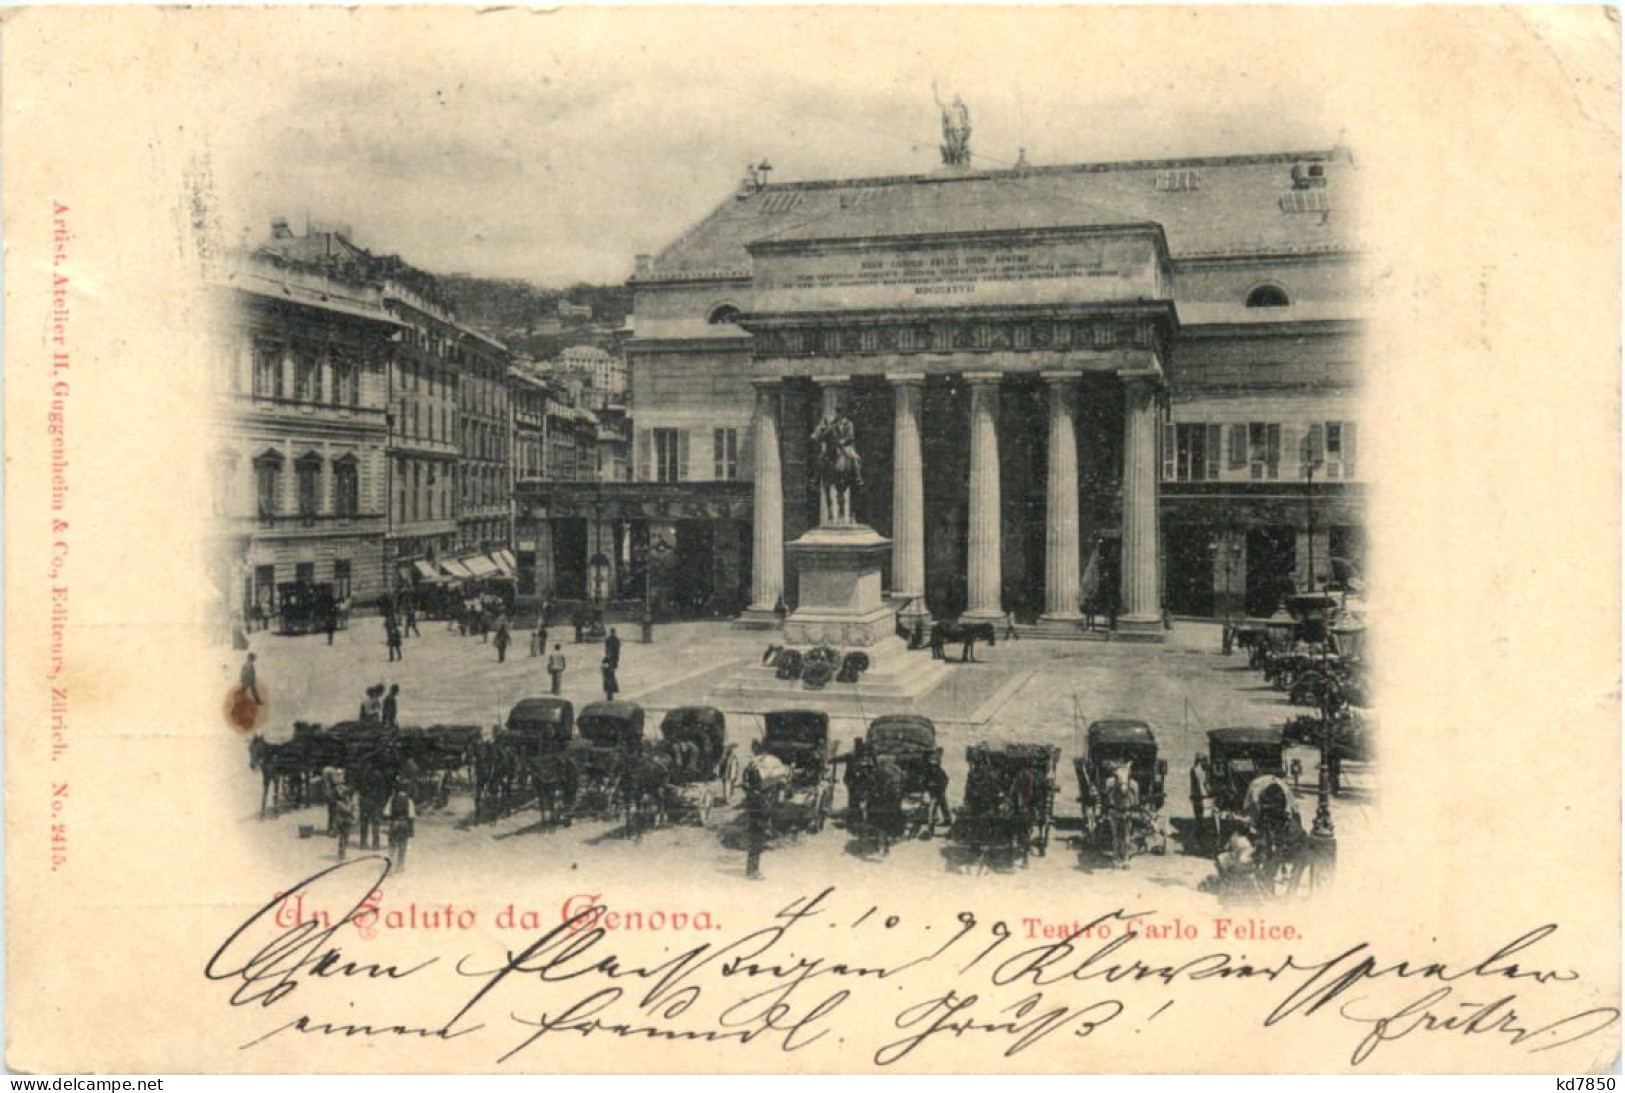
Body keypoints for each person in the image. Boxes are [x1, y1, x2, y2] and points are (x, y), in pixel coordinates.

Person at [386, 780, 416, 872]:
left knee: (392, 845)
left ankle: (390, 866)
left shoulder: (392, 798)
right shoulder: (409, 800)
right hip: (404, 824)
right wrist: (412, 831)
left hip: (394, 823)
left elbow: (386, 812)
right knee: (402, 846)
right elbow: (411, 815)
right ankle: (400, 866)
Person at [331, 784, 356, 860]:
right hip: (341, 822)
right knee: (343, 838)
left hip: (347, 821)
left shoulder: (346, 802)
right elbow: (347, 810)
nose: (348, 798)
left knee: (346, 837)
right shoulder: (339, 803)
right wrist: (352, 805)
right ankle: (342, 853)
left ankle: (342, 852)